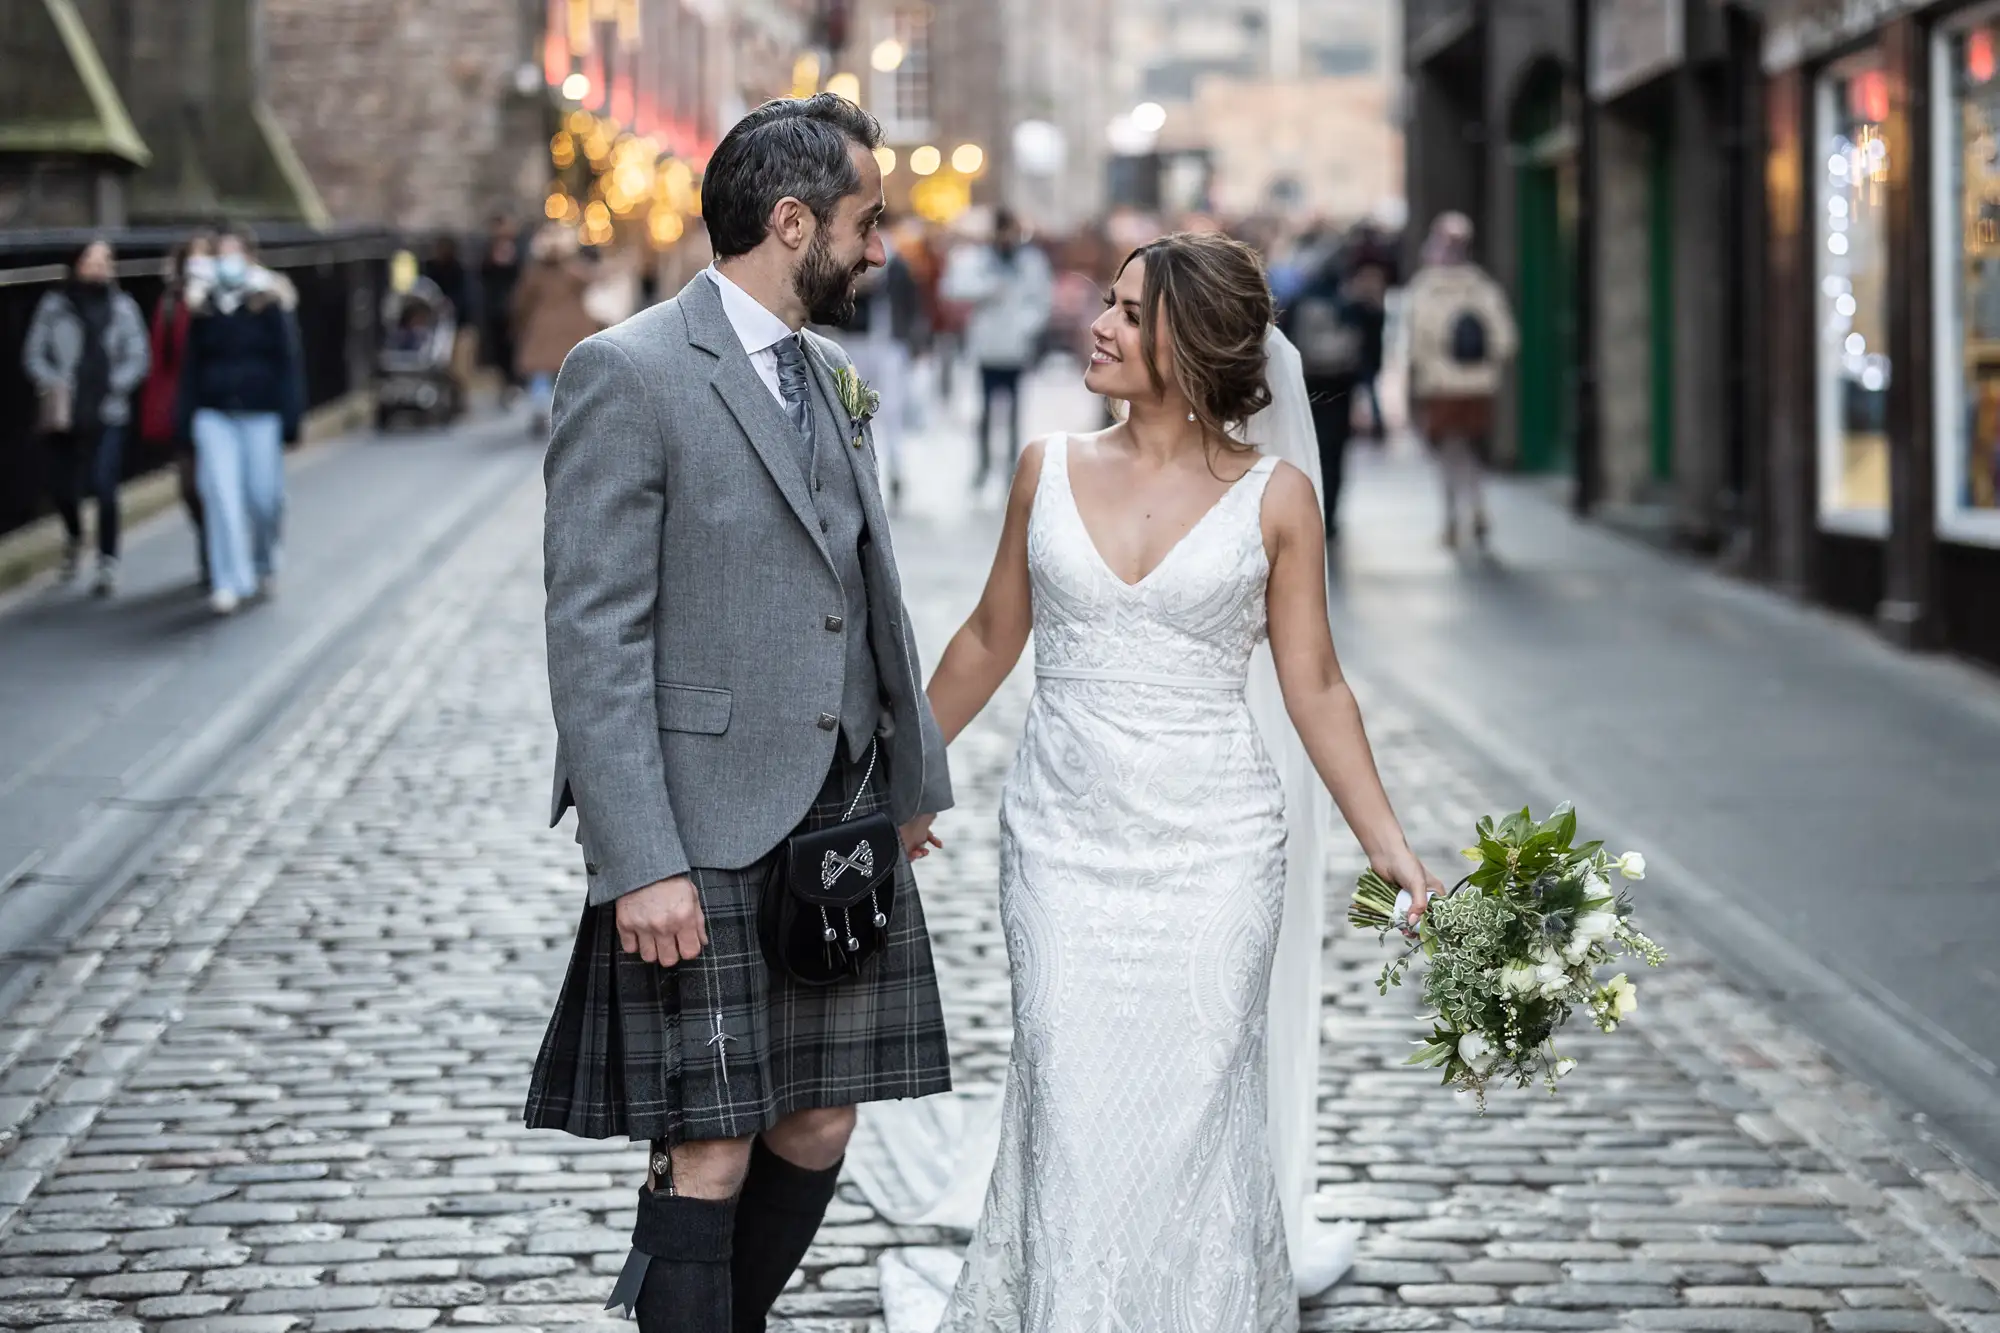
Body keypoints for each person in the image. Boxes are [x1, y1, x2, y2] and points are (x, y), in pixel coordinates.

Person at [922, 232, 1443, 1328]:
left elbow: (1316, 688)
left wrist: (1388, 847)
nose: (1096, 325)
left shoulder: (1276, 498)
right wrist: (902, 782)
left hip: (1216, 850)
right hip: (1061, 843)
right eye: (1103, 304)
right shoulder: (1045, 467)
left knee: (1197, 1106)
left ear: (1192, 338)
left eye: (1123, 310)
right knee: (1066, 1097)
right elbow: (984, 637)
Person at [525, 94, 954, 1333]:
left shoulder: (829, 373)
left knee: (820, 1117)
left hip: (837, 810)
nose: (881, 249)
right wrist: (637, 861)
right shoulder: (628, 371)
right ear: (789, 220)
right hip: (699, 823)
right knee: (709, 1143)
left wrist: (906, 779)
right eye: (865, 222)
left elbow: (865, 587)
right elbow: (592, 633)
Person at [178, 225, 305, 616]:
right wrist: (185, 420)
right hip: (215, 413)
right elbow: (190, 367)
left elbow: (288, 363)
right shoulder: (204, 306)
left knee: (264, 498)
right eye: (222, 254)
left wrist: (290, 418)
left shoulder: (270, 303)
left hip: (260, 413)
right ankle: (228, 580)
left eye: (235, 253)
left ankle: (265, 560)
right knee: (221, 497)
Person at [22, 238, 151, 596]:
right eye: (91, 260)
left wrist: (116, 383)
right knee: (63, 489)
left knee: (105, 485)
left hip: (108, 410)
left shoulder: (123, 307)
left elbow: (138, 356)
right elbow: (34, 353)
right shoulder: (55, 307)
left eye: (105, 260)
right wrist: (53, 382)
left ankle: (108, 560)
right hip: (65, 411)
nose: (99, 267)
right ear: (76, 264)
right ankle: (75, 536)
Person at [1405, 211, 1518, 549]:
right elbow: (1506, 339)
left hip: (1441, 387)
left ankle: (1454, 518)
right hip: (1479, 386)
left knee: (1449, 451)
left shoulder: (1425, 288)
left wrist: (1423, 376)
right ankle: (1477, 508)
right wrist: (1486, 368)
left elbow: (1414, 345)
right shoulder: (1482, 287)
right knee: (1470, 447)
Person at [940, 209, 1053, 490]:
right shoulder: (977, 259)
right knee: (987, 410)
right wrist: (988, 289)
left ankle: (1011, 469)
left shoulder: (1031, 262)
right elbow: (953, 287)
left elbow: (1042, 300)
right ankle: (984, 465)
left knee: (1015, 411)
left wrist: (1027, 328)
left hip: (1016, 348)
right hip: (988, 348)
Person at [1279, 250, 1373, 540]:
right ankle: (1329, 515)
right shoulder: (1349, 304)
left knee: (1307, 451)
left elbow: (1284, 346)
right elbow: (1366, 348)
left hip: (1307, 388)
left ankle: (1312, 510)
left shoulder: (1299, 302)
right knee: (1335, 456)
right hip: (1340, 390)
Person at [140, 235, 215, 585]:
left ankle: (219, 552)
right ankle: (210, 537)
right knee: (190, 486)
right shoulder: (171, 303)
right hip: (186, 406)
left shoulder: (224, 299)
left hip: (219, 404)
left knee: (217, 483)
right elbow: (161, 363)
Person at [828, 226, 920, 508]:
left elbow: (910, 303)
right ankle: (858, 473)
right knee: (853, 412)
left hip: (887, 344)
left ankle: (894, 471)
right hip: (854, 342)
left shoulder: (897, 264)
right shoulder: (845, 258)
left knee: (890, 412)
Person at [511, 226, 599, 435]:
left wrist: (520, 324)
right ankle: (571, 415)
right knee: (570, 373)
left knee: (540, 374)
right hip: (573, 328)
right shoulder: (574, 272)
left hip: (541, 328)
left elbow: (520, 303)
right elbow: (593, 282)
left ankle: (542, 410)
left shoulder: (533, 274)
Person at [478, 215, 524, 403]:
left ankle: (514, 384)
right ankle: (505, 384)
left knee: (513, 348)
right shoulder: (487, 252)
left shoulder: (519, 251)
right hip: (494, 310)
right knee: (498, 349)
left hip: (513, 310)